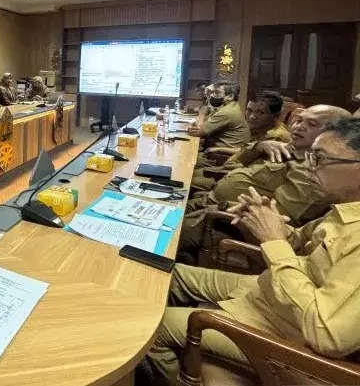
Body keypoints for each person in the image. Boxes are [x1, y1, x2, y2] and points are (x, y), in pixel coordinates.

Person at [144, 117, 360, 386]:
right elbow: (298, 243)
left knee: (148, 326)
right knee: (168, 273)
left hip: (285, 331)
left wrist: (273, 240)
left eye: (319, 158)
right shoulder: (344, 209)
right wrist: (261, 219)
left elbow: (326, 336)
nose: (308, 165)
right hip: (270, 292)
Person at [179, 104, 350, 261]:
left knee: (169, 232)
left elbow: (276, 219)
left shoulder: (312, 174)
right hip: (211, 201)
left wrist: (221, 207)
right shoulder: (285, 147)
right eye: (298, 120)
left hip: (227, 221)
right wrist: (260, 146)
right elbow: (234, 162)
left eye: (312, 124)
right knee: (167, 205)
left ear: (334, 135)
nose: (298, 127)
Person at [190, 91, 291, 192]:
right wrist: (221, 149)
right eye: (249, 110)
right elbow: (248, 149)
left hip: (233, 178)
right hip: (228, 166)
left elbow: (255, 173)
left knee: (188, 177)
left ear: (275, 117)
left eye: (261, 112)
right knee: (190, 170)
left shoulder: (276, 137)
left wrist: (226, 168)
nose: (252, 116)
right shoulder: (260, 129)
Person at [187, 80, 251, 151]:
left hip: (222, 154)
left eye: (217, 92)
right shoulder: (231, 106)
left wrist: (203, 113)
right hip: (220, 149)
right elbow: (205, 123)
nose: (212, 95)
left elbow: (197, 132)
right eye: (213, 92)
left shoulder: (226, 112)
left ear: (230, 96)